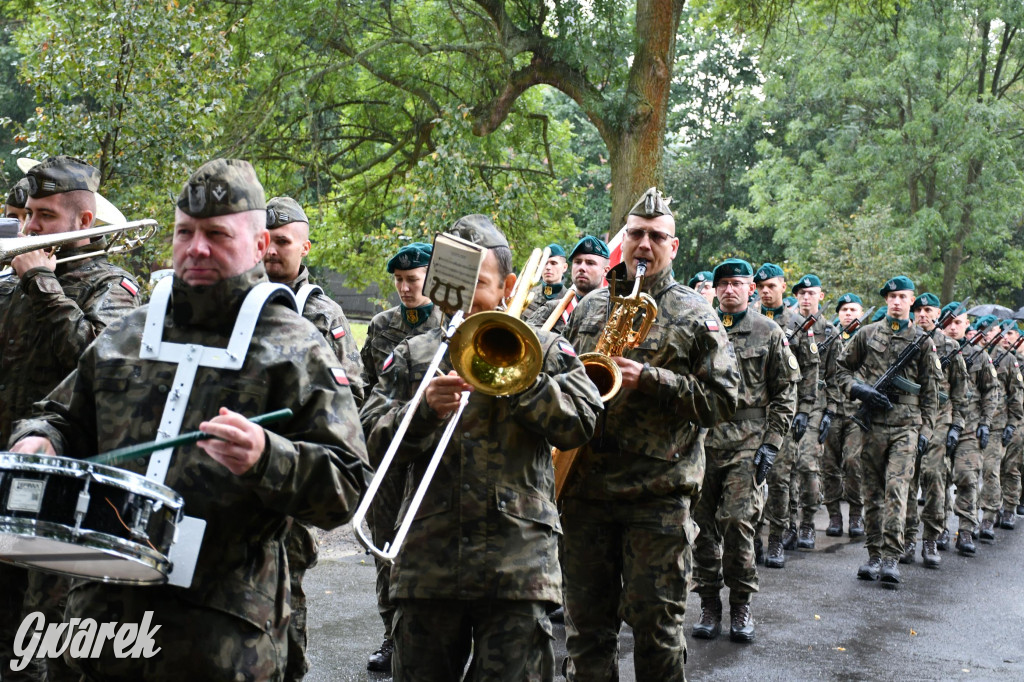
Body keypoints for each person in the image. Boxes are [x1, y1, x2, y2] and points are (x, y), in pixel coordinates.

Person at [8, 158, 371, 681]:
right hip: (102, 622)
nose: (197, 248)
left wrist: (268, 457)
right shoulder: (128, 334)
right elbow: (60, 415)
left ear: (260, 245)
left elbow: (349, 486)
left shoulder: (293, 346)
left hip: (222, 636)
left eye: (217, 234)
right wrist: (39, 439)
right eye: (186, 232)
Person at [360, 214, 602, 681]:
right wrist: (423, 411)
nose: (461, 300)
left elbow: (582, 422)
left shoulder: (546, 349)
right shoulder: (414, 355)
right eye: (451, 285)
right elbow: (369, 437)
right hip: (428, 567)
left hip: (517, 569)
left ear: (508, 285)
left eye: (477, 285)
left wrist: (520, 380)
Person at [559, 188, 739, 681]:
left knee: (656, 632)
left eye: (656, 236)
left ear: (673, 246)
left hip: (656, 499)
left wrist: (650, 379)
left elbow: (723, 401)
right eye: (635, 234)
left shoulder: (696, 314)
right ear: (623, 239)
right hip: (586, 494)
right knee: (586, 633)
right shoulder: (590, 306)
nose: (644, 245)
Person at [0, 156, 143, 681]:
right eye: (28, 215)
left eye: (44, 215)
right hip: (5, 474)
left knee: (47, 641)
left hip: (63, 496)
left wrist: (41, 280)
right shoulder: (10, 281)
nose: (30, 226)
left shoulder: (114, 286)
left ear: (84, 223)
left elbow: (101, 364)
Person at [262, 194, 366, 681]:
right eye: (266, 240)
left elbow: (352, 393)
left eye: (284, 241)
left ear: (305, 246)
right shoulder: (239, 302)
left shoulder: (323, 313)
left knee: (287, 590)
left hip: (293, 471)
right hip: (239, 468)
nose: (272, 250)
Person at [691, 258, 797, 644]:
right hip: (702, 441)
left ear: (750, 288)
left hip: (748, 443)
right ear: (716, 290)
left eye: (738, 283)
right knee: (699, 527)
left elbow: (787, 392)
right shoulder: (700, 329)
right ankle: (707, 602)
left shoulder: (769, 332)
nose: (730, 290)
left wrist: (771, 444)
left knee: (738, 523)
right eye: (723, 284)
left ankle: (740, 604)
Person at [358, 240, 443, 672]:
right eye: (399, 281)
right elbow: (368, 385)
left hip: (432, 455)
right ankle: (392, 636)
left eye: (413, 280)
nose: (405, 288)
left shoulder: (452, 325)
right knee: (386, 545)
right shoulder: (382, 324)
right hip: (391, 456)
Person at [836, 276, 939, 587]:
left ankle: (892, 558)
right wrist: (859, 390)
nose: (896, 301)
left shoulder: (923, 341)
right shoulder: (866, 335)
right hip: (871, 424)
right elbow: (841, 369)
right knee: (873, 492)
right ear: (885, 301)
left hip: (906, 426)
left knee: (897, 489)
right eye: (891, 296)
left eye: (902, 296)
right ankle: (874, 554)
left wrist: (926, 430)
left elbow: (932, 391)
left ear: (911, 301)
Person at [753, 262, 818, 568]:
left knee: (778, 479)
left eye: (771, 286)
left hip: (783, 413)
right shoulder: (748, 319)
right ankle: (752, 539)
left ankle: (776, 540)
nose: (766, 292)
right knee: (750, 478)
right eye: (761, 287)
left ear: (782, 286)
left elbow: (809, 371)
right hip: (750, 414)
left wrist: (805, 410)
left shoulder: (797, 324)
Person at [900, 293, 967, 567]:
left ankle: (930, 539)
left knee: (935, 477)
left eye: (928, 310)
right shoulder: (905, 341)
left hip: (940, 419)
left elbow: (961, 393)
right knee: (906, 479)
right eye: (918, 310)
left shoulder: (950, 346)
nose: (922, 314)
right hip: (909, 417)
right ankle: (905, 539)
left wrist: (956, 427)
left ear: (938, 314)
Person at [942, 305, 999, 555]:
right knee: (936, 479)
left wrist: (986, 422)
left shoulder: (979, 355)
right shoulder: (931, 351)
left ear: (967, 325)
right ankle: (939, 528)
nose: (953, 327)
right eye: (949, 322)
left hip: (969, 427)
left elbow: (990, 391)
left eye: (958, 322)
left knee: (966, 477)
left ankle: (965, 529)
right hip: (940, 424)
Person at [788, 273, 834, 549]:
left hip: (815, 404)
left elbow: (835, 375)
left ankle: (807, 524)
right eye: (801, 293)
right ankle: (788, 523)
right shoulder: (786, 325)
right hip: (785, 404)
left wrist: (830, 411)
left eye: (811, 292)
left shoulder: (828, 331)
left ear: (821, 296)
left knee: (806, 465)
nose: (806, 297)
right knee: (785, 469)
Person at [819, 293, 867, 538]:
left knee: (852, 462)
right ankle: (834, 516)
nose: (849, 313)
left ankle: (856, 514)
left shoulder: (868, 338)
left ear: (861, 312)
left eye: (853, 309)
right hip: (831, 410)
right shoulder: (829, 336)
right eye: (844, 309)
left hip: (857, 413)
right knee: (828, 466)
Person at [978, 319, 1023, 539]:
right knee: (980, 471)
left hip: (998, 424)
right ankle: (987, 511)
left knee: (998, 469)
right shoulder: (977, 355)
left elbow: (1016, 396)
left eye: (992, 330)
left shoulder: (1008, 360)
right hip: (976, 423)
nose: (987, 334)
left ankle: (995, 513)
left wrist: (1013, 424)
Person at [526, 235, 610, 333]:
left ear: (606, 271)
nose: (582, 267)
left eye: (590, 263)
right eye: (577, 262)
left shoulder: (612, 312)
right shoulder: (550, 309)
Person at [998, 325, 1024, 528]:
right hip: (999, 417)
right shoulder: (1000, 358)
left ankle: (1010, 508)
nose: (1006, 338)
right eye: (1003, 333)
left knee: (1012, 466)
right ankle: (996, 505)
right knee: (997, 465)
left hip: (1017, 418)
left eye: (1010, 334)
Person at [523, 242, 568, 318]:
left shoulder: (569, 300)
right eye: (545, 263)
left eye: (553, 263)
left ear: (564, 267)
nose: (548, 267)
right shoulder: (527, 295)